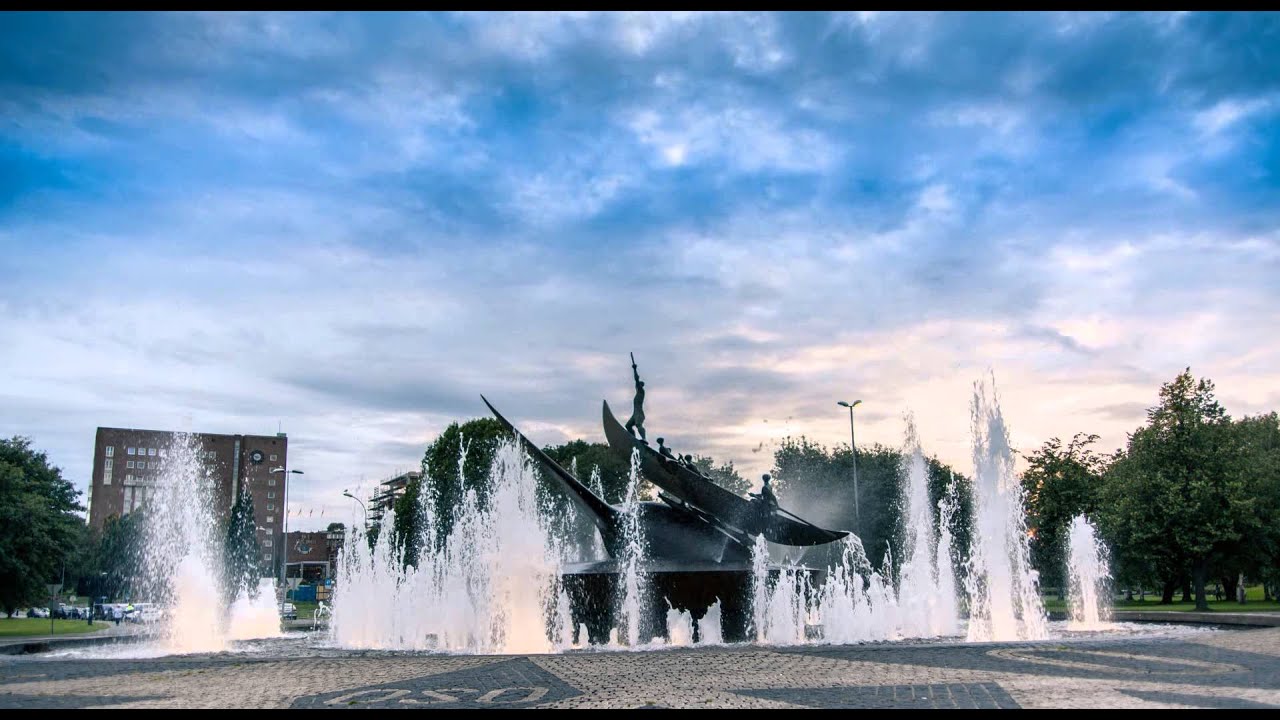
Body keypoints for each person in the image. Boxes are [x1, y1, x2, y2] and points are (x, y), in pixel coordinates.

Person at [624, 353, 647, 443]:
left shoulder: (641, 392)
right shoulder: (637, 392)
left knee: (638, 424)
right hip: (635, 414)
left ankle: (644, 439)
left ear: (641, 385)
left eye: (638, 384)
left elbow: (636, 379)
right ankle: (633, 439)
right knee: (628, 426)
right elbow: (636, 382)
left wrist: (634, 369)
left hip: (639, 413)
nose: (637, 386)